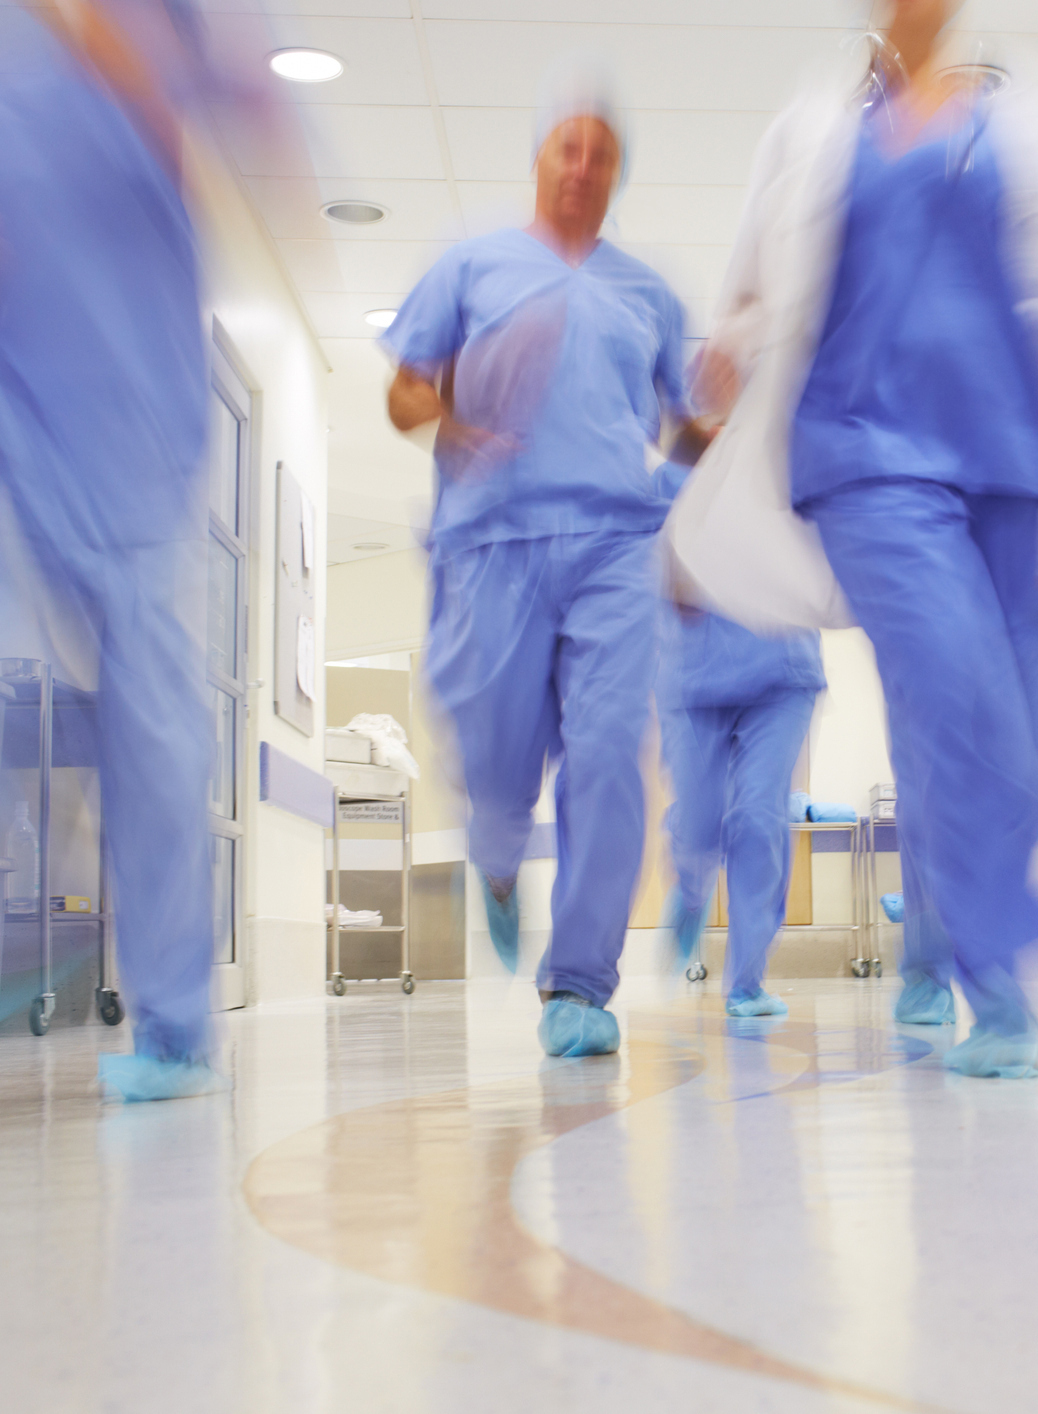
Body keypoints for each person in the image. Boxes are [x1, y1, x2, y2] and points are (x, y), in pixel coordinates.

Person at [673, 0, 1038, 1077]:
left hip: (1004, 460)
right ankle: (996, 981)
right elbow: (755, 289)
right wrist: (728, 347)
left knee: (1021, 735)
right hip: (863, 459)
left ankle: (968, 941)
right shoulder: (814, 130)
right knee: (954, 692)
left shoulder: (1013, 118)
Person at [0, 0, 231, 1101]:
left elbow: (228, 127)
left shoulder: (153, 140)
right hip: (9, 415)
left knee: (159, 739)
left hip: (136, 467)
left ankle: (175, 1024)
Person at [384, 71, 700, 1059]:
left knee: (609, 752)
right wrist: (454, 420)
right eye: (568, 147)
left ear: (616, 174)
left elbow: (685, 431)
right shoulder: (472, 267)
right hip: (493, 540)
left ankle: (580, 981)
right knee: (496, 759)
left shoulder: (647, 294)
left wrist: (726, 419)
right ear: (539, 159)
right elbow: (402, 393)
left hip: (614, 541)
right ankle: (494, 849)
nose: (582, 166)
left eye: (602, 154)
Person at [655, 461, 826, 1018]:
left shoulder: (790, 462)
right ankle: (690, 884)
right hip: (693, 676)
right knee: (698, 823)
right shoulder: (671, 480)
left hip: (783, 672)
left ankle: (747, 982)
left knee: (758, 816)